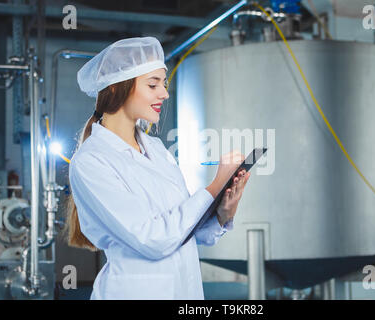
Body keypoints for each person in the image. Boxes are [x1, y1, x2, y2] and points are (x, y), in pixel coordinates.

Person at [65, 37, 250, 300]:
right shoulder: (91, 161)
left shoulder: (157, 150)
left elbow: (183, 232)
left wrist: (221, 213)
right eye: (153, 84)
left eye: (163, 84)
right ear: (118, 88)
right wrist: (214, 185)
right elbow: (153, 240)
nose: (164, 93)